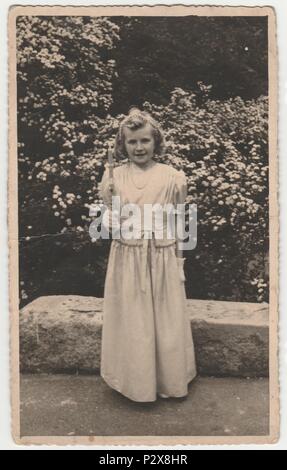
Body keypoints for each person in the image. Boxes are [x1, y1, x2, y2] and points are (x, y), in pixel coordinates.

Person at [99, 108, 196, 402]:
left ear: (155, 141)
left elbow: (181, 222)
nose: (139, 148)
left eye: (144, 141)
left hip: (162, 257)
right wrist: (109, 217)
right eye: (132, 142)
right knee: (133, 322)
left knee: (165, 322)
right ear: (122, 144)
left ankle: (169, 381)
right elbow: (104, 226)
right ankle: (135, 384)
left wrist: (180, 261)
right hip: (128, 258)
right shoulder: (114, 176)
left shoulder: (172, 177)